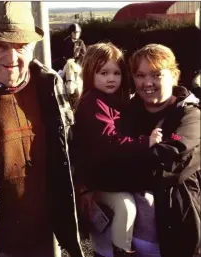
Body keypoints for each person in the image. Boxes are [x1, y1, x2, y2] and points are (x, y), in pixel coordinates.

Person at [0, 2, 84, 257]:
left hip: (44, 235)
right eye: (1, 45)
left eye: (21, 46)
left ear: (33, 47)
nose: (12, 58)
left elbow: (69, 150)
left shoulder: (50, 84)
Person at [79, 43, 200, 257]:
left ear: (174, 75)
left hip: (173, 235)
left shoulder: (189, 116)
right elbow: (100, 148)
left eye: (156, 74)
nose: (147, 83)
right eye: (140, 75)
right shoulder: (126, 110)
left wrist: (101, 177)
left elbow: (169, 162)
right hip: (117, 241)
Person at [72, 42, 163, 257]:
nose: (111, 79)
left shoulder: (115, 102)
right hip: (99, 180)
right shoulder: (93, 103)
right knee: (126, 207)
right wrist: (145, 142)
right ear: (90, 74)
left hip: (110, 176)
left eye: (116, 73)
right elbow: (109, 142)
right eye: (104, 73)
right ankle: (119, 251)